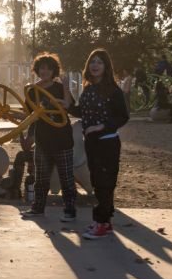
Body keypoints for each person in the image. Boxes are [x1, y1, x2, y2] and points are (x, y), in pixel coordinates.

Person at [67, 49, 129, 240]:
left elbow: (123, 116)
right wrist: (67, 101)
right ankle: (106, 222)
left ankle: (100, 223)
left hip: (107, 143)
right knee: (98, 183)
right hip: (92, 143)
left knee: (104, 184)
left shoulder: (113, 90)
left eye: (99, 62)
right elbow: (82, 112)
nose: (95, 65)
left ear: (106, 66)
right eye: (92, 62)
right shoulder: (88, 88)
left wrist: (101, 126)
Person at [20, 53, 77, 222]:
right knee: (41, 179)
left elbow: (70, 107)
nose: (44, 71)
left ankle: (70, 210)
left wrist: (66, 87)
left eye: (48, 68)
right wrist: (26, 137)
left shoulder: (59, 88)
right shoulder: (32, 90)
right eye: (41, 68)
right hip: (42, 140)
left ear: (54, 71)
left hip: (62, 139)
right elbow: (28, 117)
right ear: (37, 70)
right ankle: (37, 209)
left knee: (66, 178)